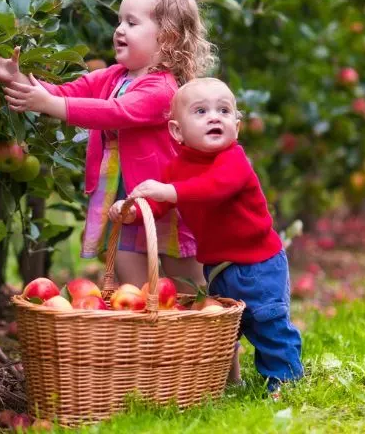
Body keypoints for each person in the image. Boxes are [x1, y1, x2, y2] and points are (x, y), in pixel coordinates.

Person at [0, 0, 216, 291]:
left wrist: (51, 104)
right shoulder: (112, 77)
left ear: (167, 37)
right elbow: (61, 92)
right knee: (133, 291)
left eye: (132, 23)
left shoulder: (163, 88)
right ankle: (146, 336)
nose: (119, 29)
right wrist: (17, 80)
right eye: (119, 21)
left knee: (189, 285)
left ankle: (211, 336)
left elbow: (115, 113)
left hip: (167, 204)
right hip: (123, 203)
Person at [108, 77, 304, 393]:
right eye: (201, 111)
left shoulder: (233, 159)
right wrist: (131, 210)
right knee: (226, 326)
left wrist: (168, 191)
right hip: (217, 268)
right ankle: (221, 382)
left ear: (236, 126)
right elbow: (159, 205)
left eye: (224, 111)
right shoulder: (177, 168)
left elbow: (214, 189)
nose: (215, 117)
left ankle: (284, 381)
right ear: (176, 131)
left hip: (259, 264)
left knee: (268, 321)